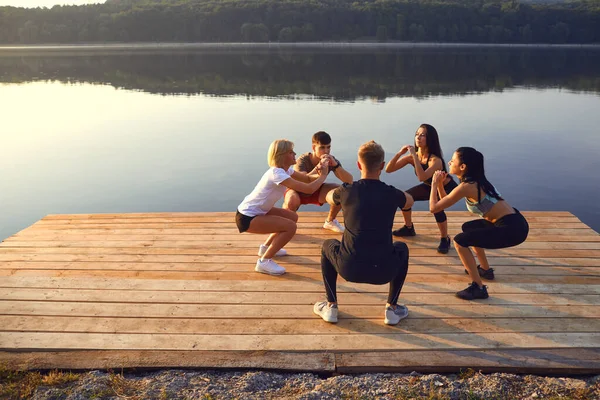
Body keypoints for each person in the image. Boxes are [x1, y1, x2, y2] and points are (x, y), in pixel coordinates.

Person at [313, 141, 414, 325]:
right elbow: (409, 202)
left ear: (359, 165)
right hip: (384, 271)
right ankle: (392, 309)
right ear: (382, 166)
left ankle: (331, 306)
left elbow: (329, 198)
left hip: (349, 269)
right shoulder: (391, 193)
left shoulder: (347, 190)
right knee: (402, 248)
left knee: (328, 245)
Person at [429, 147, 529, 300]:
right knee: (469, 228)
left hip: (512, 229)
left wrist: (434, 184)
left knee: (460, 241)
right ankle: (484, 269)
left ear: (463, 167)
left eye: (453, 160)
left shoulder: (467, 186)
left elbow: (434, 208)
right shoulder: (473, 182)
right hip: (514, 221)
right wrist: (441, 184)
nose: (449, 162)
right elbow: (445, 201)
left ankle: (479, 287)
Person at [236, 139, 329, 276]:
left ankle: (266, 247)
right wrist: (324, 175)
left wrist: (319, 169)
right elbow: (309, 189)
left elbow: (308, 178)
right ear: (282, 155)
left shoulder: (285, 171)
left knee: (292, 216)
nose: (295, 154)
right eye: (291, 152)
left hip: (259, 211)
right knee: (290, 227)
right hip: (247, 217)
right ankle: (264, 262)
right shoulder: (277, 174)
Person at [385, 124, 457, 254]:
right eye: (417, 134)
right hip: (428, 186)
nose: (418, 137)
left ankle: (444, 238)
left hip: (445, 187)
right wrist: (399, 153)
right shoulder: (414, 156)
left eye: (423, 135)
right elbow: (389, 169)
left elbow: (421, 176)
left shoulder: (435, 160)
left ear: (430, 139)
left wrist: (413, 156)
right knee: (404, 198)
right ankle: (408, 228)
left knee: (437, 208)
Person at [283, 131, 353, 233]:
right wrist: (318, 167)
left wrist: (336, 166)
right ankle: (286, 223)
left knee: (342, 192)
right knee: (291, 201)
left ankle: (330, 221)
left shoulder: (331, 160)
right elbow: (303, 179)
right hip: (297, 190)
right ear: (313, 147)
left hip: (316, 189)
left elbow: (349, 181)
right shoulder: (303, 160)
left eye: (328, 147)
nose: (326, 151)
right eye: (322, 147)